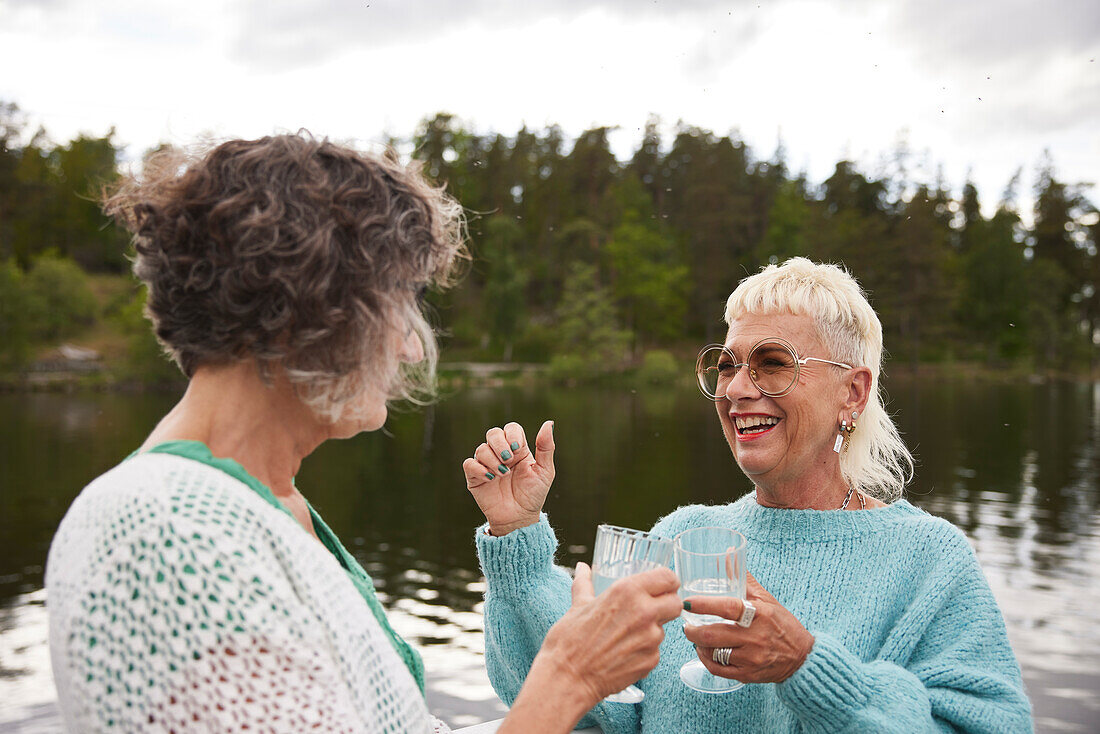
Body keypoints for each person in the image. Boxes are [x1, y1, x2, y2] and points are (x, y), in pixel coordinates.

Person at [45, 134, 681, 734]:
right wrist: (570, 677)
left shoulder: (255, 506)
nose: (408, 348)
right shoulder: (168, 532)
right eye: (398, 302)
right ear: (304, 307)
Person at [464, 258, 1033, 733]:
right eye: (729, 365)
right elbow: (584, 713)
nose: (736, 389)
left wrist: (806, 666)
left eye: (773, 364)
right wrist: (518, 536)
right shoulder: (682, 534)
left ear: (852, 393)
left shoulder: (931, 560)